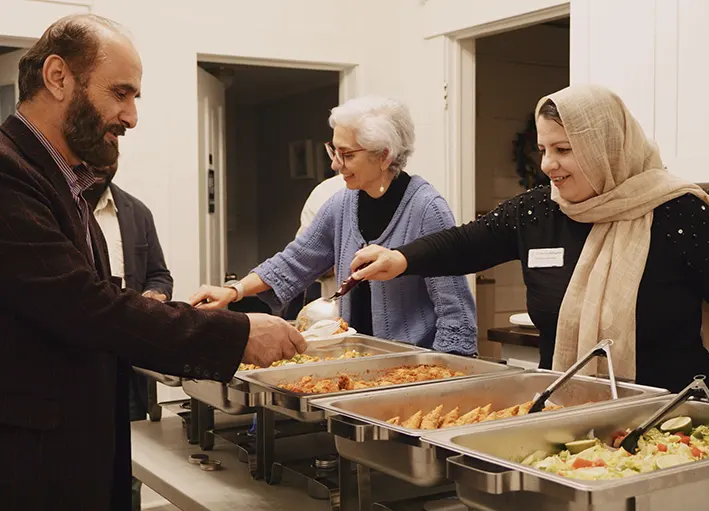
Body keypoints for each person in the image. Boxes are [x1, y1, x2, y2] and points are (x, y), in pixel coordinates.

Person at [0, 14, 305, 510]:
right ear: (58, 78)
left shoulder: (65, 179)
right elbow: (84, 307)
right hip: (33, 463)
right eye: (120, 93)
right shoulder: (9, 172)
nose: (131, 116)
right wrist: (236, 333)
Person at [350, 84, 709, 405]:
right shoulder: (539, 211)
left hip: (672, 421)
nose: (548, 165)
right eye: (544, 149)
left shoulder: (684, 215)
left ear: (605, 148)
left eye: (564, 150)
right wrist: (401, 257)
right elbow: (469, 242)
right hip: (567, 417)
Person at [191, 96, 477, 355]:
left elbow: (456, 313)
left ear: (384, 156)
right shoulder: (343, 203)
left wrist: (442, 375)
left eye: (347, 154)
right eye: (334, 151)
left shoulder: (426, 209)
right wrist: (234, 291)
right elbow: (294, 261)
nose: (335, 165)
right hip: (357, 362)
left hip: (411, 369)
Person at [84, 161, 173, 511]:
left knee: (133, 458)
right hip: (81, 360)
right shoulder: (58, 207)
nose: (105, 163)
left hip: (131, 361)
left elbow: (160, 275)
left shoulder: (137, 211)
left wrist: (155, 297)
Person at [297, 173, 346, 298]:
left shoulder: (403, 194)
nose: (335, 165)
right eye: (334, 154)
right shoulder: (326, 192)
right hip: (336, 307)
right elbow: (304, 261)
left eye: (349, 155)